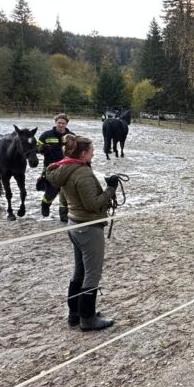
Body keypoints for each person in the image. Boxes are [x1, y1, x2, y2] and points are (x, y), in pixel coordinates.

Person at [45, 134, 121, 332]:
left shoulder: (65, 168)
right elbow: (93, 204)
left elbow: (67, 198)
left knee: (79, 272)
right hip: (88, 227)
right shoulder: (82, 173)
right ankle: (87, 319)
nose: (94, 153)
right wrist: (111, 188)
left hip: (74, 223)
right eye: (92, 150)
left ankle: (75, 313)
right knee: (92, 274)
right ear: (84, 153)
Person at [37, 113, 74, 221]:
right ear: (55, 122)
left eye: (63, 123)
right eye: (59, 123)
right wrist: (42, 149)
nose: (61, 125)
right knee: (51, 191)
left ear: (67, 124)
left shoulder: (71, 136)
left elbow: (76, 150)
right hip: (51, 168)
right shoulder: (46, 135)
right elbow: (37, 148)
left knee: (65, 192)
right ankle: (45, 206)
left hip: (67, 169)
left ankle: (63, 215)